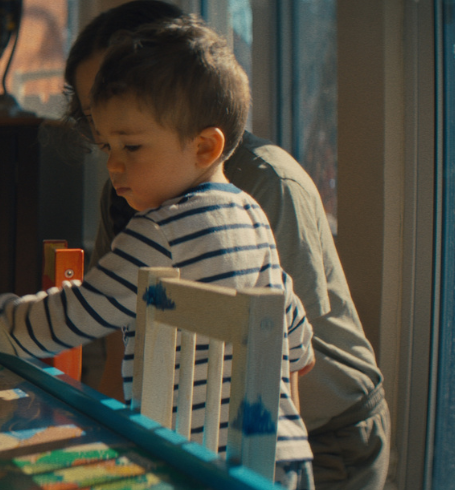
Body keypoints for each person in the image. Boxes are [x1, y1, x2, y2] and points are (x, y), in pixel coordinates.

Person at [0, 16, 315, 487]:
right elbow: (284, 309)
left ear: (204, 147)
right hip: (283, 460)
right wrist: (300, 348)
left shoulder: (157, 230)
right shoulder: (252, 214)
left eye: (132, 146)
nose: (113, 163)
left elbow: (79, 313)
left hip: (195, 464)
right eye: (107, 145)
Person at [61, 2, 389, 489]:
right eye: (96, 117)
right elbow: (120, 333)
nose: (109, 136)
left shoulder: (265, 183)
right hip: (210, 434)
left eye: (121, 95)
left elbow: (283, 346)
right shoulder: (127, 186)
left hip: (317, 434)